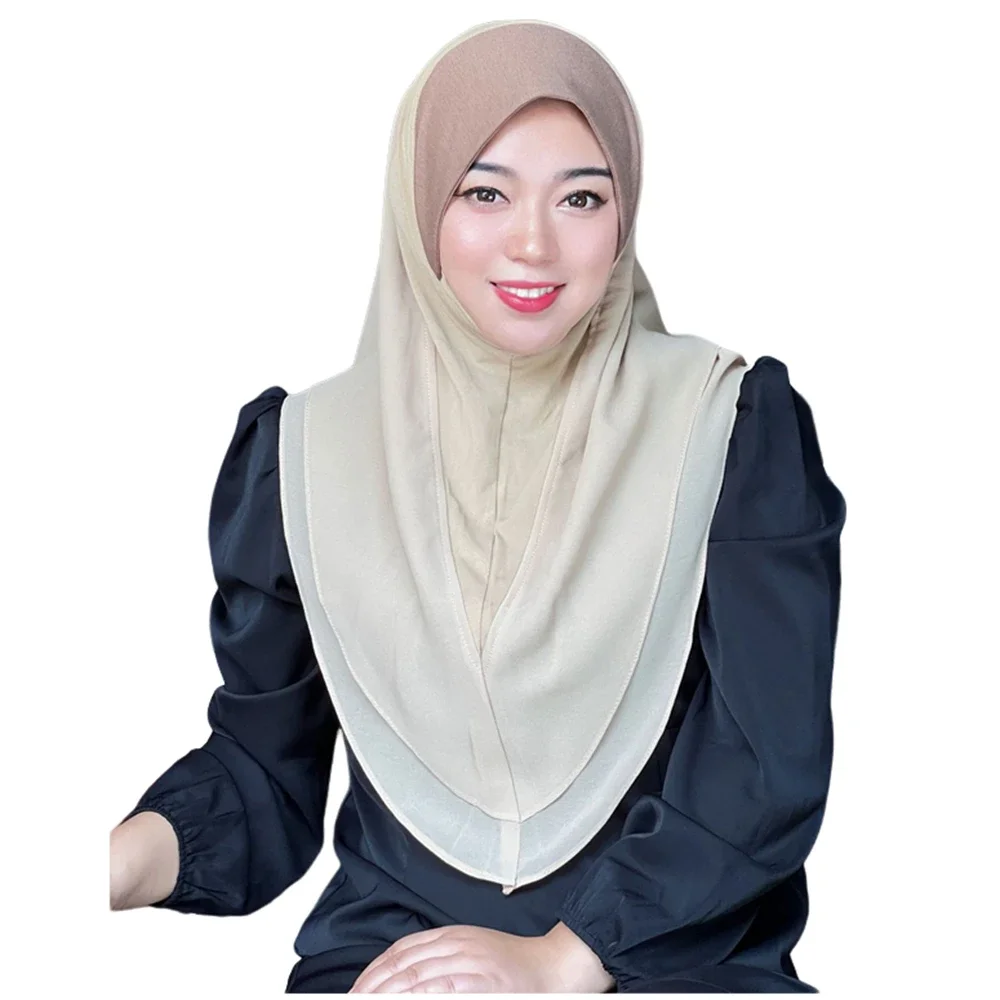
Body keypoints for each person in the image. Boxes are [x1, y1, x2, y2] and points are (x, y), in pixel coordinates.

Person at [109, 19, 846, 994]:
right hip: (398, 955)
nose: (533, 242)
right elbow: (265, 768)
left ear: (624, 215)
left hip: (672, 956)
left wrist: (561, 960)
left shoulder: (725, 428)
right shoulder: (305, 453)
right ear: (420, 208)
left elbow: (765, 764)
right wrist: (106, 864)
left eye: (581, 196)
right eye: (484, 192)